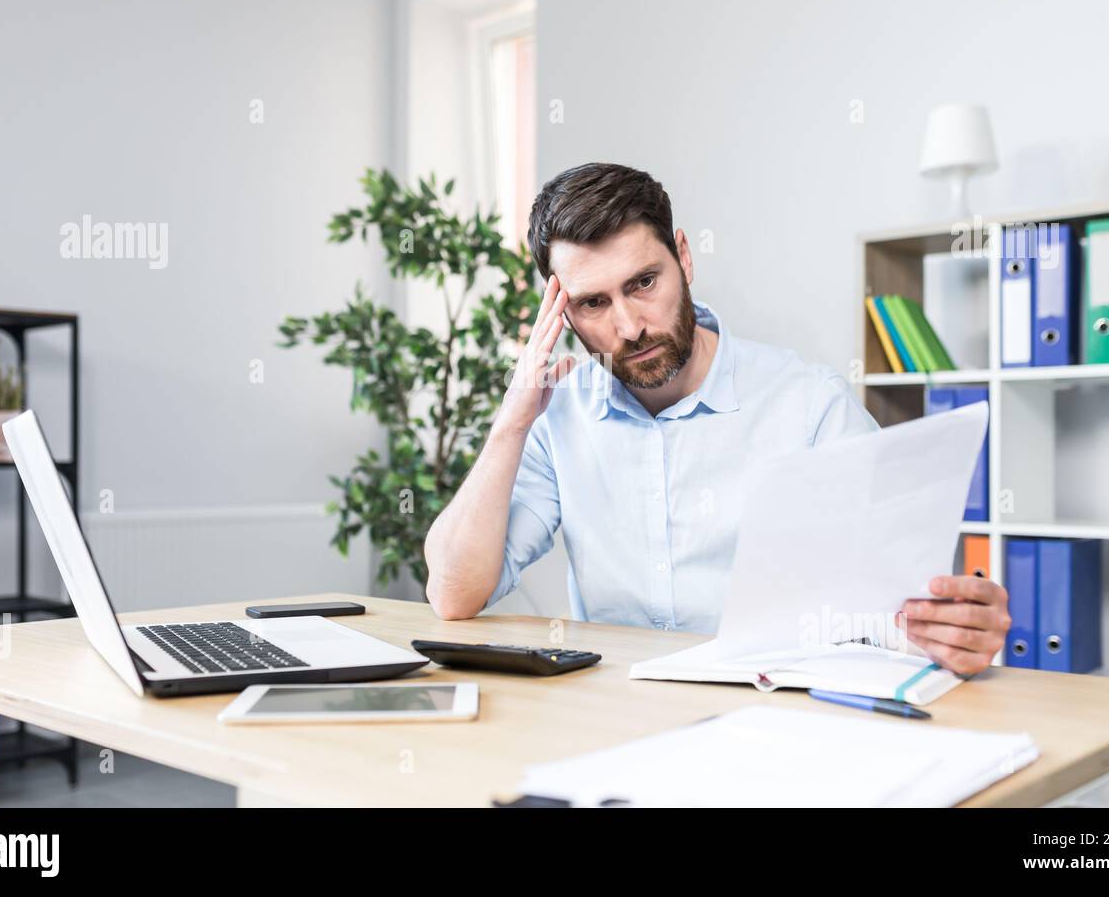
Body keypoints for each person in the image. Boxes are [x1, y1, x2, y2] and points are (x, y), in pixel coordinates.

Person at [423, 162, 1009, 675]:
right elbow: (454, 593)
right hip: (616, 716)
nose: (629, 327)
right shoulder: (559, 415)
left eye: (644, 283)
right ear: (561, 312)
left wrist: (955, 628)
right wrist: (511, 423)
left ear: (683, 256)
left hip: (771, 718)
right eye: (593, 303)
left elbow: (901, 594)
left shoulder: (807, 403)